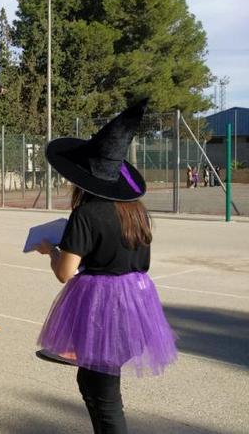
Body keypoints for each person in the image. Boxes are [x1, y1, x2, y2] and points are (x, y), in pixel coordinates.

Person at [34, 100, 177, 433]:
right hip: (137, 305)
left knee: (102, 395)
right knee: (98, 384)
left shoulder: (86, 214)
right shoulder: (137, 212)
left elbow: (65, 273)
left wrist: (51, 250)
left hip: (105, 312)